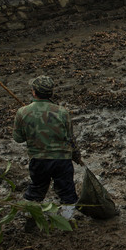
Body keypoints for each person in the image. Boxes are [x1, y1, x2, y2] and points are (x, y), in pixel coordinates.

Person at [13, 75, 82, 219]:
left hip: (38, 160)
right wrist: (76, 156)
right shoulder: (63, 112)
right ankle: (66, 219)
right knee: (67, 191)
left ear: (34, 92)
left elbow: (18, 139)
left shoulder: (23, 112)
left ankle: (29, 215)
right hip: (62, 160)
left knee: (37, 188)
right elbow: (70, 139)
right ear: (51, 93)